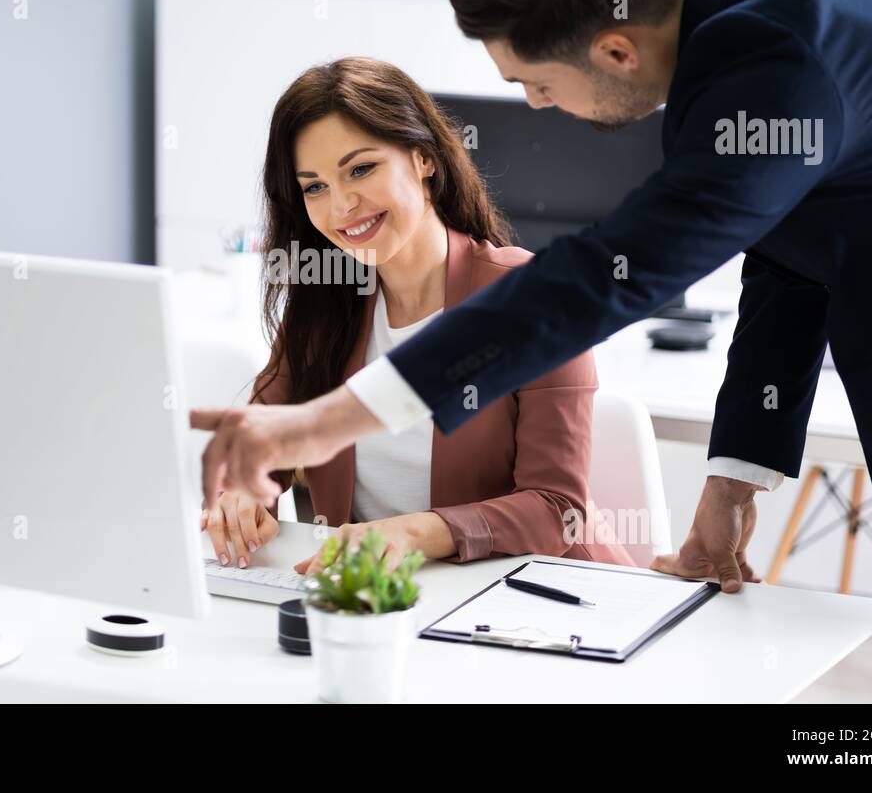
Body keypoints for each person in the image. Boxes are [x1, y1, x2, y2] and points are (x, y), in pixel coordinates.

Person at [191, 0, 872, 702]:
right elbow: (791, 263)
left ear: (614, 50)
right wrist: (732, 486)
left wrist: (325, 420)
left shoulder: (783, 64)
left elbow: (595, 282)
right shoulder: (743, 10)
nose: (536, 104)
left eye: (536, 83)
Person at [200, 56, 634, 574]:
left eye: (361, 169)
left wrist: (416, 532)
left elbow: (557, 510)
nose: (341, 207)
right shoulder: (324, 304)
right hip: (395, 605)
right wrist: (243, 496)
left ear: (423, 158)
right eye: (314, 186)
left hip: (542, 605)